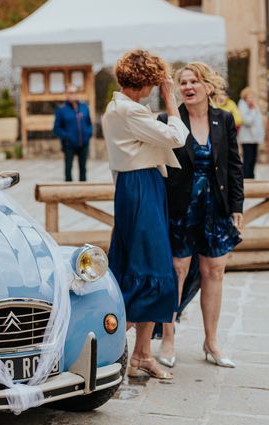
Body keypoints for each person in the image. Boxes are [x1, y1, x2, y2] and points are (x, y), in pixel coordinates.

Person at [102, 49, 189, 380]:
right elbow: (177, 137)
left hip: (136, 186)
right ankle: (124, 352)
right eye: (154, 84)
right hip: (141, 187)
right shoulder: (129, 111)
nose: (157, 89)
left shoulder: (119, 108)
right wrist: (171, 101)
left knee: (138, 267)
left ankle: (140, 354)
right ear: (145, 83)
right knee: (151, 266)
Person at [158, 62, 243, 369]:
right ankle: (168, 338)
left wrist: (237, 207)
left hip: (216, 209)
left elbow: (234, 166)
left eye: (194, 81)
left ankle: (212, 342)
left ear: (208, 86)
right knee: (177, 270)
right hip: (182, 209)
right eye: (183, 82)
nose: (188, 87)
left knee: (214, 271)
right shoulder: (169, 119)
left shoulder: (223, 119)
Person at [53, 84, 93, 181]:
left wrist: (88, 134)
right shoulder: (61, 110)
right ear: (67, 94)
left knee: (83, 169)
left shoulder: (84, 107)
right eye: (71, 93)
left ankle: (83, 191)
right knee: (68, 169)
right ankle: (68, 191)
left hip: (83, 144)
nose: (73, 95)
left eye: (75, 92)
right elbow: (56, 128)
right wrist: (66, 137)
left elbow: (89, 123)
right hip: (69, 145)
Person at [238, 87, 265, 179]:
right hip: (247, 139)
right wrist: (253, 110)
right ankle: (246, 179)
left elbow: (259, 122)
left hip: (255, 138)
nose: (252, 99)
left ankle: (252, 178)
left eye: (253, 96)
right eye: (250, 96)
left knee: (253, 160)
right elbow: (247, 121)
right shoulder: (242, 105)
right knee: (247, 160)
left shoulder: (255, 106)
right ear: (245, 97)